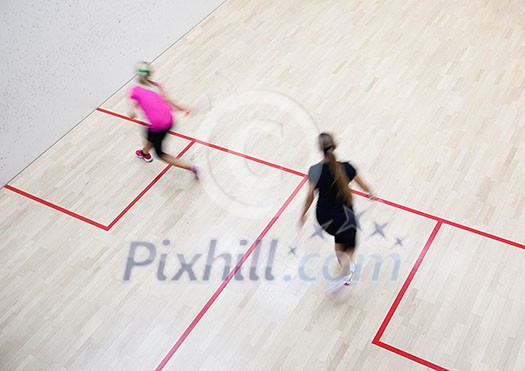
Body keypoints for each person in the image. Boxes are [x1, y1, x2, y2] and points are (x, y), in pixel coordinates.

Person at [300, 132, 375, 293]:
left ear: (320, 149)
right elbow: (364, 185)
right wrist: (371, 193)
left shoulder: (314, 170)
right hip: (343, 217)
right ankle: (345, 273)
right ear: (335, 146)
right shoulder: (347, 167)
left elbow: (309, 197)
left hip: (324, 217)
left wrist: (303, 214)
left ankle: (344, 266)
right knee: (351, 244)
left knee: (339, 238)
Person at [128, 61, 199, 178]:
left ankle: (191, 167)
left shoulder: (135, 90)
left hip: (158, 126)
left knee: (160, 153)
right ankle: (144, 153)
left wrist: (132, 111)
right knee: (150, 136)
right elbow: (169, 102)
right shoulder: (156, 86)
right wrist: (183, 108)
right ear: (150, 74)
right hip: (170, 121)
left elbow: (131, 107)